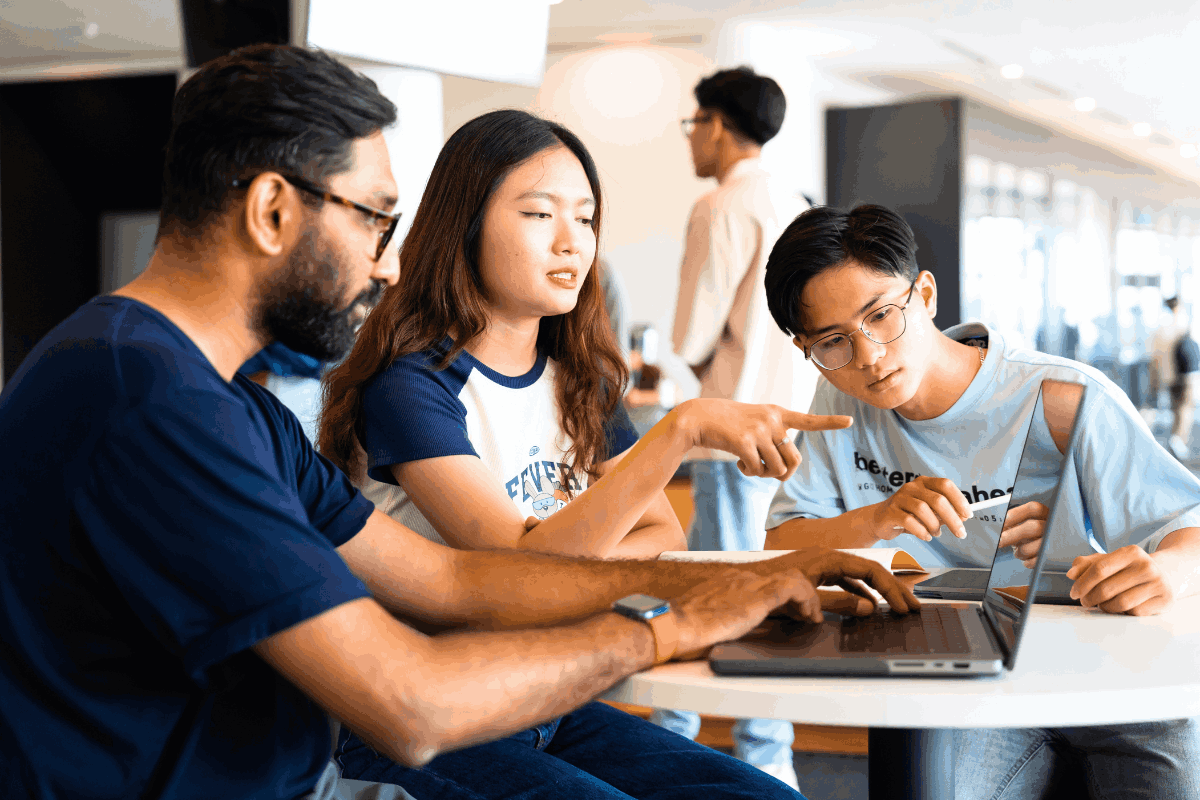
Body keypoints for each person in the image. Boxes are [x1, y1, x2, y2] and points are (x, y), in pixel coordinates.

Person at [0, 45, 921, 800]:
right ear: (274, 210)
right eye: (372, 219)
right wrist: (668, 623)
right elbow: (410, 704)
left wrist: (741, 580)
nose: (389, 264)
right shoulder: (148, 400)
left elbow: (452, 580)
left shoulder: (226, 400)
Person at [316, 108, 863, 797]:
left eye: (587, 217)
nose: (573, 243)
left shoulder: (581, 377)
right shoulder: (413, 384)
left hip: (551, 698)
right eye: (540, 215)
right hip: (430, 720)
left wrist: (565, 559)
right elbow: (512, 574)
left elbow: (662, 534)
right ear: (467, 222)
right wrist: (680, 430)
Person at [761, 203, 1200, 800]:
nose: (867, 357)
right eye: (832, 342)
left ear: (925, 294)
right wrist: (876, 519)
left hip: (1108, 668)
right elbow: (782, 544)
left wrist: (1169, 568)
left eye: (882, 316)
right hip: (970, 677)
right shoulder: (840, 404)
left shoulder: (1061, 396)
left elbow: (1187, 520)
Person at [658, 65, 819, 786]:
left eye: (694, 123)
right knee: (767, 586)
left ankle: (692, 754)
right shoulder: (794, 200)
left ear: (718, 124)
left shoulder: (721, 205)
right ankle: (769, 763)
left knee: (718, 593)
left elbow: (692, 336)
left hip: (730, 432)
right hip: (792, 430)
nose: (692, 139)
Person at [1149, 296, 1199, 460]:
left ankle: (1176, 441)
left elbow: (1155, 357)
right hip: (1185, 376)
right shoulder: (1182, 323)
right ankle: (1178, 440)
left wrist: (1155, 379)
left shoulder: (1160, 328)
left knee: (1176, 409)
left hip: (1169, 376)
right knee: (1185, 409)